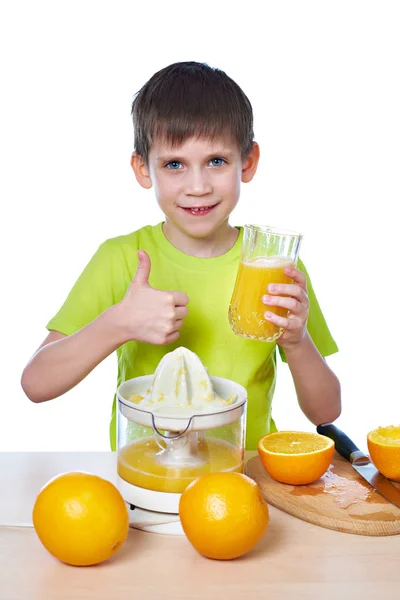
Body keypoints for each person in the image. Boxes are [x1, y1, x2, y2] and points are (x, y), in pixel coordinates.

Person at [21, 61, 341, 450]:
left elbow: (326, 412)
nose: (198, 186)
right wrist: (118, 324)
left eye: (216, 161)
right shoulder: (122, 258)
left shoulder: (271, 266)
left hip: (244, 482)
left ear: (248, 161)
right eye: (174, 164)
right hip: (147, 477)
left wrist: (297, 341)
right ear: (143, 169)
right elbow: (36, 384)